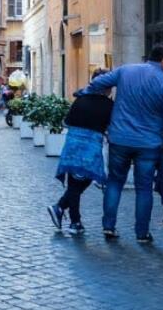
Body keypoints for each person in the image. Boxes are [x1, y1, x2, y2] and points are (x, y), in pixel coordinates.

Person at [76, 42, 163, 243]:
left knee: (114, 182)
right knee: (144, 188)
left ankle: (108, 226)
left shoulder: (126, 70)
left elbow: (98, 82)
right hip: (149, 143)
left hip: (119, 139)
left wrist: (86, 92)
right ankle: (142, 233)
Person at [48, 69, 114, 234]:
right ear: (105, 87)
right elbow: (110, 127)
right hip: (90, 149)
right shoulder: (109, 105)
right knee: (79, 183)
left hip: (72, 146)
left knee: (76, 182)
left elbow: (67, 121)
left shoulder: (80, 99)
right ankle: (74, 222)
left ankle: (60, 208)